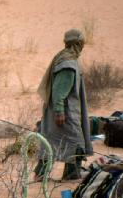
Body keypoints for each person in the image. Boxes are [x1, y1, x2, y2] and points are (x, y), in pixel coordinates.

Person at [34, 28, 92, 181]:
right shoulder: (68, 63)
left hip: (64, 111)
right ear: (78, 43)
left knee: (51, 141)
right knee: (76, 142)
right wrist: (59, 112)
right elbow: (59, 91)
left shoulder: (64, 57)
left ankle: (59, 174)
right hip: (65, 113)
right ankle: (70, 175)